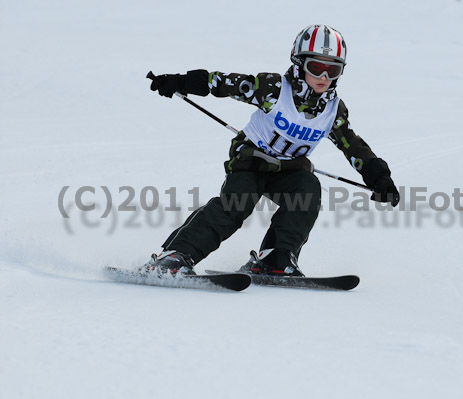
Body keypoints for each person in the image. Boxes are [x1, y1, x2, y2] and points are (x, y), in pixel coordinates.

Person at [145, 24, 400, 277]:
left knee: (307, 190)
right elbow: (223, 83)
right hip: (250, 162)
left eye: (332, 69)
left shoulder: (333, 111)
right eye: (316, 67)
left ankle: (275, 258)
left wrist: (380, 178)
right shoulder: (274, 89)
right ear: (299, 64)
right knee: (237, 203)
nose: (324, 77)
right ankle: (176, 256)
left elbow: (354, 146)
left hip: (287, 171)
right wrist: (178, 82)